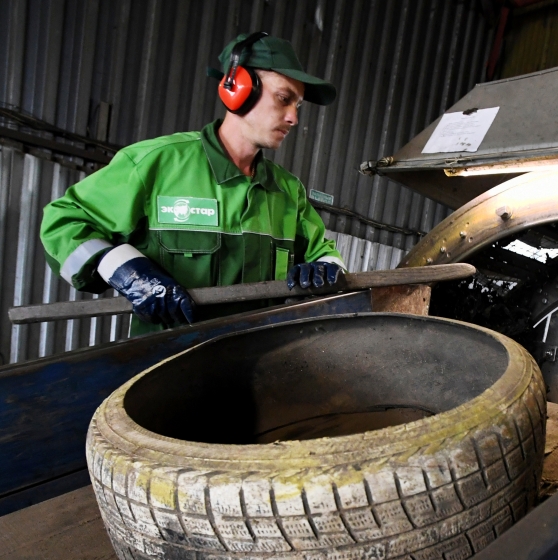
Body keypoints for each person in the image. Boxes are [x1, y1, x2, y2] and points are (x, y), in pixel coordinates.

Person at [40, 32, 345, 336]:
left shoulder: (289, 192)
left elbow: (325, 253)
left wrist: (328, 270)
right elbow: (63, 222)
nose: (293, 118)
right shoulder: (156, 164)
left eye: (298, 106)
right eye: (283, 98)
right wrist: (126, 271)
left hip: (258, 367)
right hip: (167, 368)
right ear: (237, 89)